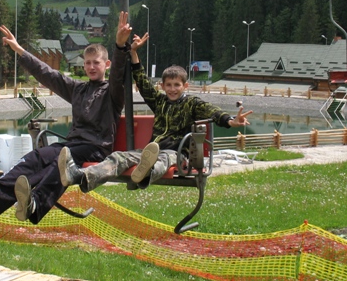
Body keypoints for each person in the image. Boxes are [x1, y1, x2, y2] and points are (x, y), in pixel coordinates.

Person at [0, 11, 133, 224]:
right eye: (87, 63)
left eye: (96, 63)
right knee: (38, 156)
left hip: (96, 147)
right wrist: (20, 50)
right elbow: (47, 74)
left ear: (106, 65)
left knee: (62, 160)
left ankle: (36, 203)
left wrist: (119, 45)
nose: (91, 67)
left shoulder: (113, 93)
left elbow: (118, 74)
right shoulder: (78, 89)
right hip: (73, 145)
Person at [58, 32, 252, 192]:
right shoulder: (159, 102)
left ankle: (146, 174)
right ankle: (82, 176)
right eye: (169, 85)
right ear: (163, 86)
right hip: (150, 151)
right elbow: (142, 81)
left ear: (185, 86)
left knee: (163, 160)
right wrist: (133, 53)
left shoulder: (191, 104)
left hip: (177, 153)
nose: (172, 89)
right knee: (119, 157)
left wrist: (230, 120)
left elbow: (212, 111)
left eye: (177, 85)